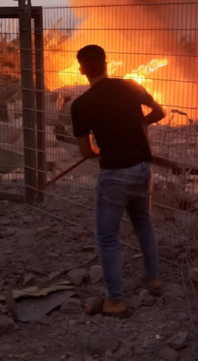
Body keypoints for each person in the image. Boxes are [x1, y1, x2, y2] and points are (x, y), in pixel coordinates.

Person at [70, 45, 165, 318]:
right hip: (142, 168)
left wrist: (102, 147)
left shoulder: (81, 105)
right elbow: (159, 112)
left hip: (114, 174)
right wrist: (138, 127)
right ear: (106, 62)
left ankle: (116, 301)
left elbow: (87, 152)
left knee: (108, 238)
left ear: (82, 68)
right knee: (143, 223)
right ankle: (154, 279)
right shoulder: (130, 85)